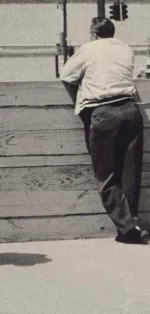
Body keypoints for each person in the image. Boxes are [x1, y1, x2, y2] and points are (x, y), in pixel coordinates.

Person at [59, 17, 147, 244]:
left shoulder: (89, 49)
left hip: (103, 113)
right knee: (130, 171)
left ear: (93, 34)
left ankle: (128, 228)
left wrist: (78, 101)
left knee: (106, 174)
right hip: (130, 109)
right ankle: (133, 221)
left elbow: (66, 75)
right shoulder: (125, 49)